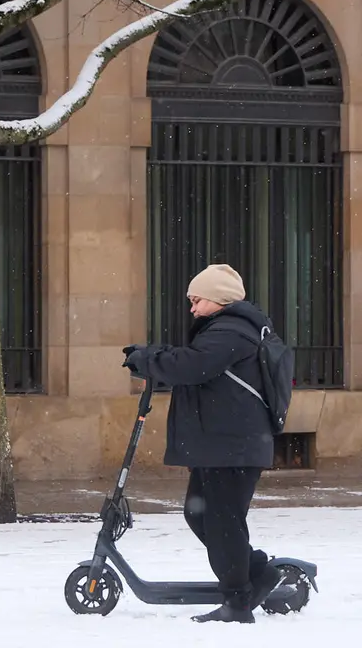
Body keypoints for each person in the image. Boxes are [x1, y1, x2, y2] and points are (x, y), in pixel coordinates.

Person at [121, 263, 282, 624]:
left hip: (232, 447)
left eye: (197, 300)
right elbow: (194, 363)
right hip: (223, 445)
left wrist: (147, 358)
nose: (192, 308)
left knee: (223, 522)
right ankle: (258, 571)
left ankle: (237, 604)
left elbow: (192, 366)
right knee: (201, 515)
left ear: (218, 299)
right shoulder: (226, 329)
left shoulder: (234, 330)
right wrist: (153, 355)